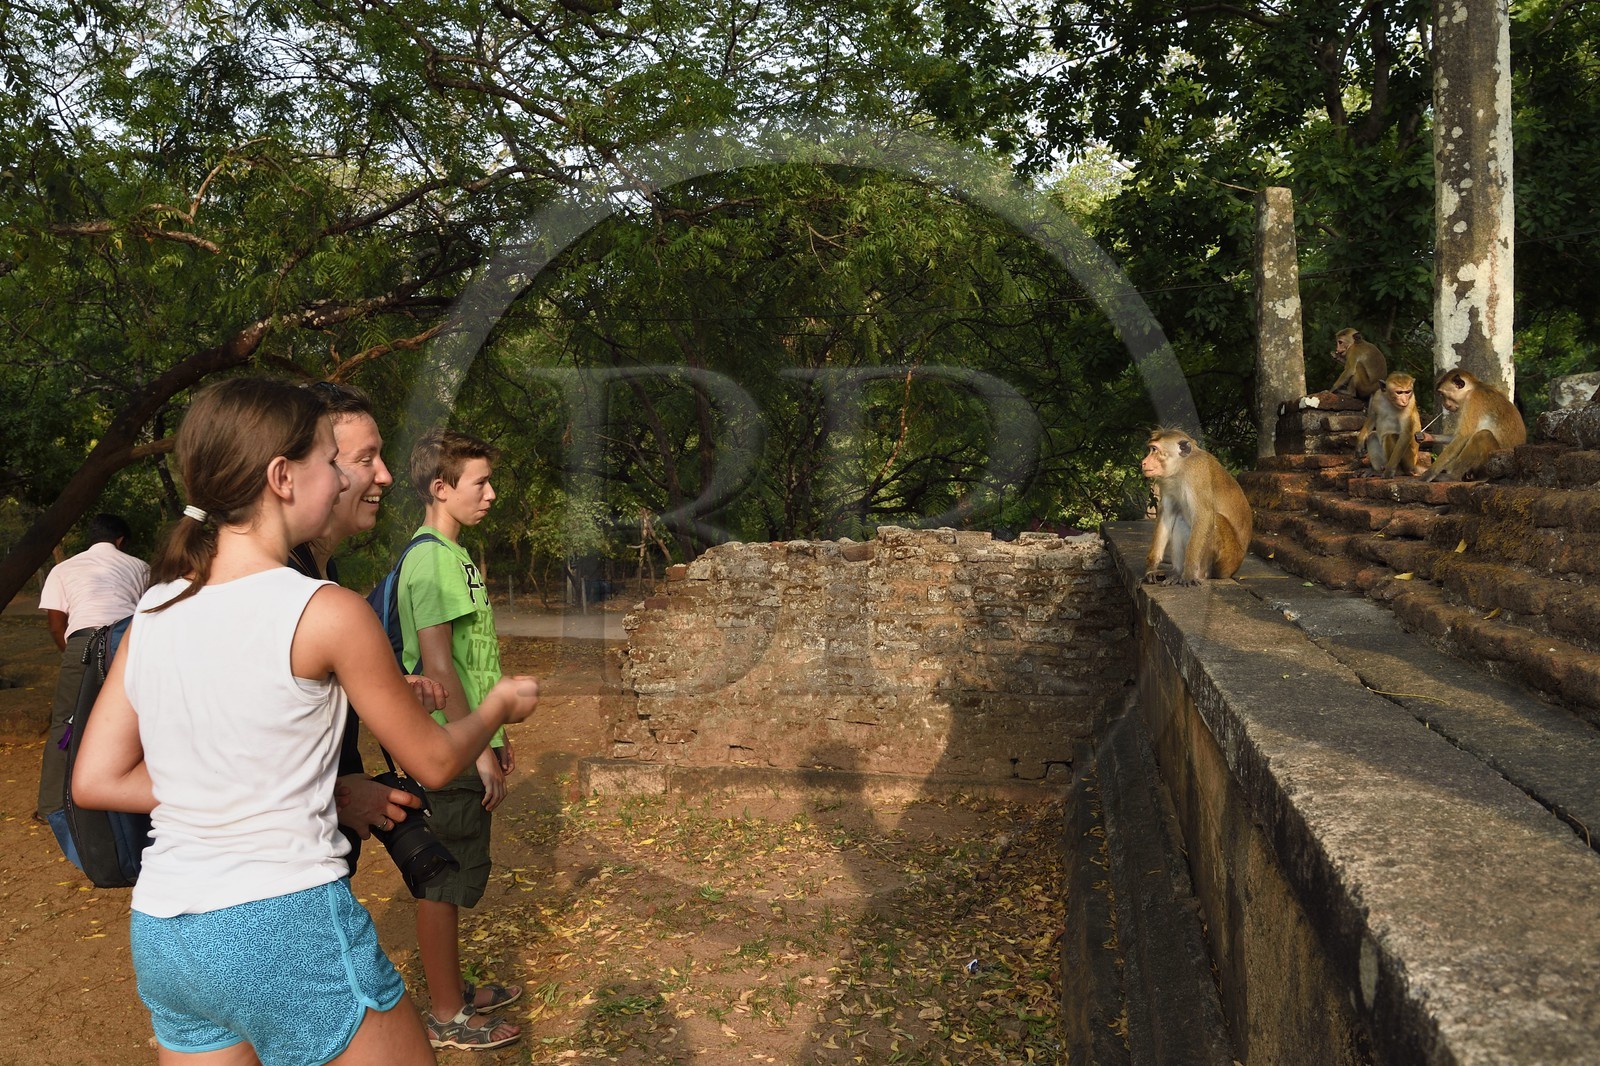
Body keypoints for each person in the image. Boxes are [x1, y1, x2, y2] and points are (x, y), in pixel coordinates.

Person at [73, 377, 539, 1066]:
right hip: (283, 922)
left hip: (167, 933)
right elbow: (437, 762)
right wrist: (497, 705)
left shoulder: (157, 607)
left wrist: (231, 792)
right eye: (332, 460)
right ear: (282, 477)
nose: (349, 476)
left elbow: (95, 778)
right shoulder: (325, 609)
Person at [397, 428, 523, 1050]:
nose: (491, 494)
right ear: (440, 488)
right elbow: (440, 666)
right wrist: (475, 747)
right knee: (440, 879)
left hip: (466, 740)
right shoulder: (429, 561)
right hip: (444, 748)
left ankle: (455, 990)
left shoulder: (456, 557)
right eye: (480, 482)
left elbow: (475, 662)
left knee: (455, 869)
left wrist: (492, 736)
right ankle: (446, 1014)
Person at [287, 381, 423, 872]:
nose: (385, 476)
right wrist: (340, 796)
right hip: (278, 883)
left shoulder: (325, 574)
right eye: (366, 459)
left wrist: (378, 686)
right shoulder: (276, 587)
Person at [35, 512, 149, 820]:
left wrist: (77, 658)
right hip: (125, 643)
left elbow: (57, 625)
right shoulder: (138, 566)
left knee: (66, 723)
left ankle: (50, 808)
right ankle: (131, 802)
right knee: (136, 722)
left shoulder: (63, 569)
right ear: (121, 540)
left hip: (81, 643)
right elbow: (145, 614)